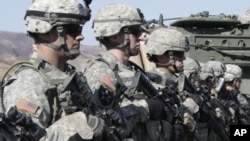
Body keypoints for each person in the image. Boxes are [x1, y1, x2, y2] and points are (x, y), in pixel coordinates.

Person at [0, 0, 105, 140]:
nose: (81, 36)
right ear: (45, 33)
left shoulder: (71, 76)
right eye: (73, 30)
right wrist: (76, 124)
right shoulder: (30, 82)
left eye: (79, 30)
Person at [81, 3, 167, 141]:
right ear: (115, 35)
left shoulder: (131, 69)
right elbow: (105, 123)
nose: (140, 36)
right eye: (135, 31)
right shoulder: (101, 70)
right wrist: (146, 107)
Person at [144, 27, 198, 141]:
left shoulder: (177, 83)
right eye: (179, 54)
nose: (183, 58)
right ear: (161, 55)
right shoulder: (149, 86)